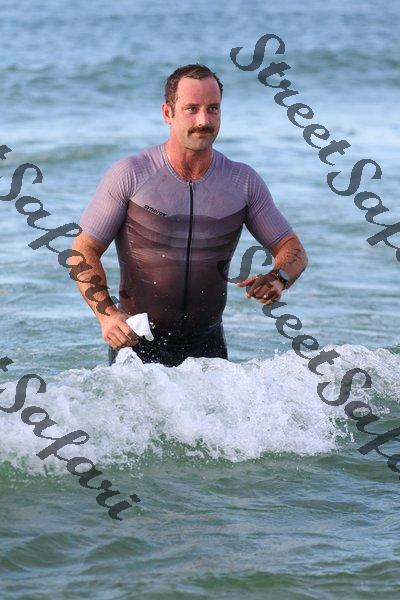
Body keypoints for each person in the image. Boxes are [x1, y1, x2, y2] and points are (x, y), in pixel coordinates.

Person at [72, 63, 308, 368]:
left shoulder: (242, 182)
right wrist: (107, 315)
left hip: (209, 348)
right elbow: (83, 250)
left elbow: (293, 249)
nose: (203, 120)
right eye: (191, 109)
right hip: (138, 346)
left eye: (213, 109)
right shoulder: (131, 175)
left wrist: (278, 278)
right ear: (167, 113)